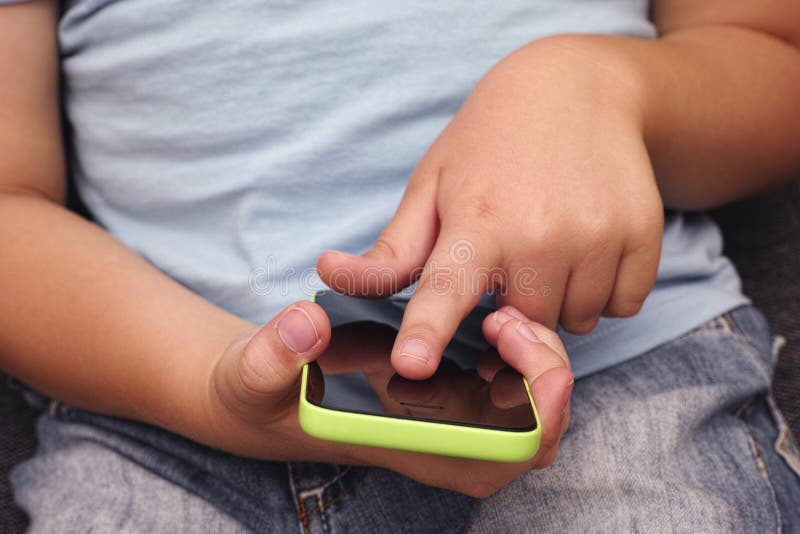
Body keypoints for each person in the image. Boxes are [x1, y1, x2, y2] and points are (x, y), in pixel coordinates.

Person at [1, 0, 799, 531]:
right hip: (157, 416)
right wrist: (209, 382)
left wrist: (601, 84)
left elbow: (773, 56)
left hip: (613, 381)